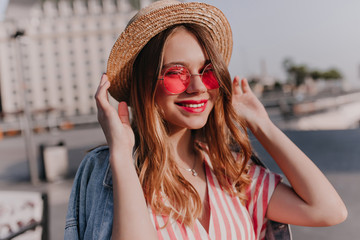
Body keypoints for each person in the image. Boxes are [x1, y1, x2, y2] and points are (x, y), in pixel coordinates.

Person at [64, 0, 347, 239]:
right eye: (176, 73)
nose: (198, 86)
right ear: (144, 85)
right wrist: (122, 154)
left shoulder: (229, 171)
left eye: (208, 71)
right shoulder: (114, 172)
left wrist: (262, 124)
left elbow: (328, 210)